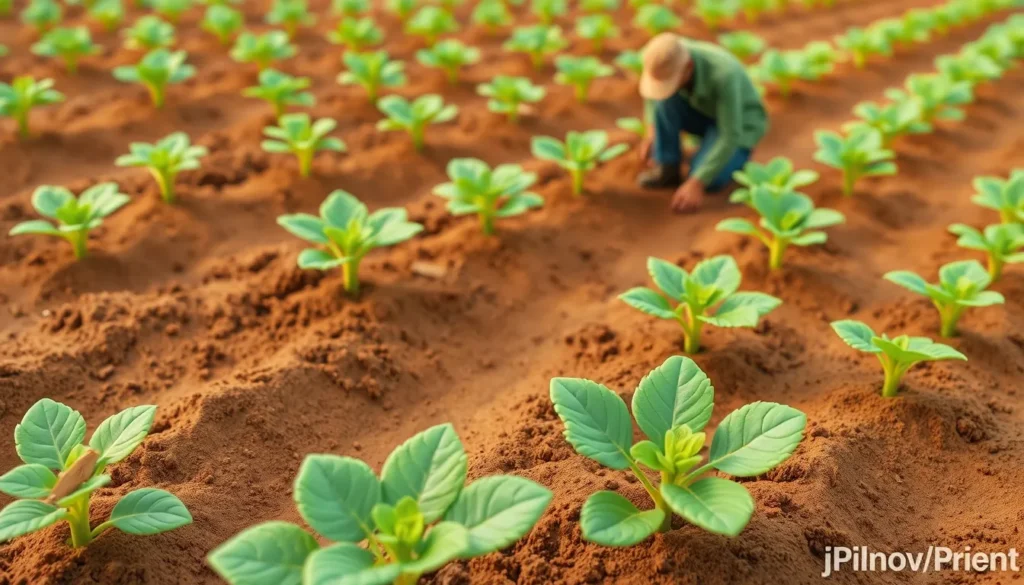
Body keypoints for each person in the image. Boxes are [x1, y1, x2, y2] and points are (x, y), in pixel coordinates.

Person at [636, 33, 769, 213]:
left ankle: (737, 156)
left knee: (710, 181)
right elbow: (654, 94)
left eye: (670, 82)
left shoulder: (723, 74)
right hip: (702, 112)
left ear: (688, 67)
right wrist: (652, 132)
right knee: (664, 100)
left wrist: (697, 182)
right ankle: (668, 167)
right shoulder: (666, 55)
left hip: (740, 124)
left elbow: (730, 134)